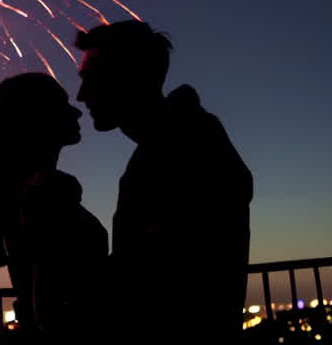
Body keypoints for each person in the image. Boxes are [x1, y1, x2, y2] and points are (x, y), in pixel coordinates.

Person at [76, 20, 253, 343]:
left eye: (91, 79)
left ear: (126, 78)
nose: (81, 95)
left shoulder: (178, 149)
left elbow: (155, 280)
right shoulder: (181, 139)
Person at [0, 73, 107, 344]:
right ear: (36, 118)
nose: (77, 111)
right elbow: (57, 297)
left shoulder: (22, 191)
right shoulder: (46, 192)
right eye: (62, 104)